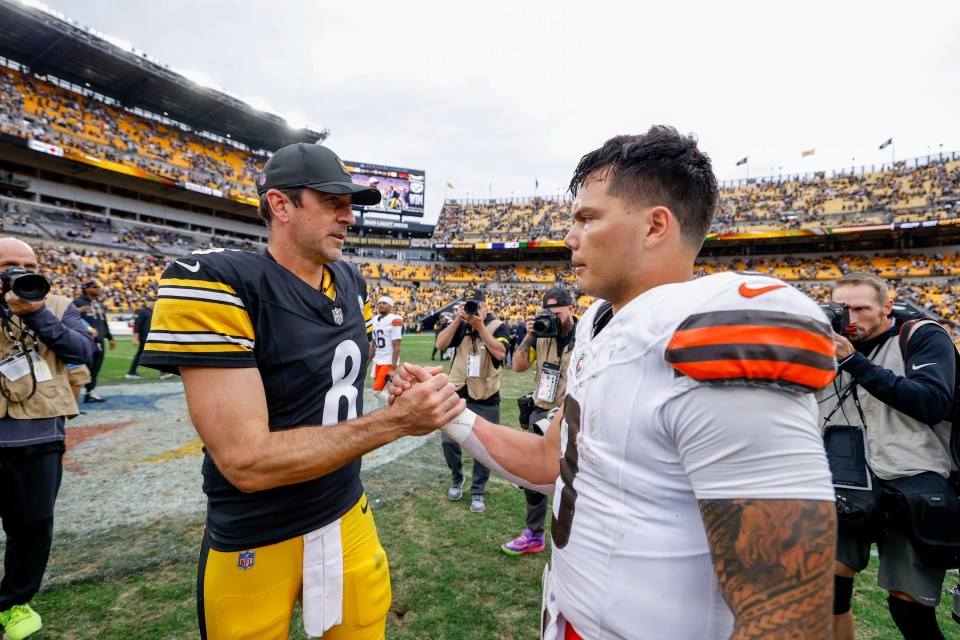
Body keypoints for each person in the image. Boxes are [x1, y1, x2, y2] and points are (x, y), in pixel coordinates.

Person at [392, 127, 838, 638]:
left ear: (654, 226)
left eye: (587, 218)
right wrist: (449, 412)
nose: (569, 237)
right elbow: (552, 463)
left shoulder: (713, 331)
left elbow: (789, 612)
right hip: (572, 615)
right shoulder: (602, 322)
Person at [139, 142, 463, 640]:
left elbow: (334, 382)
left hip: (347, 509)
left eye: (350, 204)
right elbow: (245, 461)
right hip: (258, 531)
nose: (349, 216)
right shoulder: (219, 282)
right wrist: (395, 423)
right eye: (332, 202)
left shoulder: (349, 280)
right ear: (280, 205)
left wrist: (397, 393)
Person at [820, 272, 956, 640]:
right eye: (841, 309)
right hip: (845, 479)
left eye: (861, 309)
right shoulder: (820, 344)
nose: (850, 318)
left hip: (911, 479)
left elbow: (933, 402)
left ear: (887, 308)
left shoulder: (921, 336)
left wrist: (854, 361)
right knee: (828, 593)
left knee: (908, 607)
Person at [0, 237, 94, 640]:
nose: (18, 272)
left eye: (28, 266)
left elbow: (83, 350)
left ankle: (15, 602)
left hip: (40, 433)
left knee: (33, 524)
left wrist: (37, 314)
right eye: (8, 265)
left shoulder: (56, 304)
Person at [501, 287, 577, 556]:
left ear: (571, 309)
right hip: (541, 411)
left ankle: (577, 536)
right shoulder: (541, 333)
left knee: (576, 478)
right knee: (532, 475)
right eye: (548, 313)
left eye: (558, 313)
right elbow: (518, 366)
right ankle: (534, 534)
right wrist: (531, 334)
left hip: (572, 415)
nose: (553, 319)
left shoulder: (585, 335)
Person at [434, 288, 511, 513]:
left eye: (476, 306)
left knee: (484, 448)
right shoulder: (460, 324)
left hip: (486, 395)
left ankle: (478, 490)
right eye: (468, 305)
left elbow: (500, 353)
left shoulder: (498, 326)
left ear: (485, 307)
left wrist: (480, 327)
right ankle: (457, 478)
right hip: (458, 391)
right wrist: (458, 320)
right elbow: (440, 344)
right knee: (448, 441)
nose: (472, 310)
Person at [71, 280, 114, 402]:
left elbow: (104, 322)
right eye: (94, 286)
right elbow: (70, 319)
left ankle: (90, 392)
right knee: (81, 368)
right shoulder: (77, 303)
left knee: (95, 368)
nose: (98, 288)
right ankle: (72, 395)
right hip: (84, 341)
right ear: (86, 288)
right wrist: (78, 311)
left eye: (98, 286)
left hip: (99, 341)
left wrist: (110, 338)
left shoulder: (98, 304)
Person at [126, 295, 172, 380]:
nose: (154, 303)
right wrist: (135, 338)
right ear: (146, 302)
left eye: (155, 301)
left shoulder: (152, 312)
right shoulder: (142, 311)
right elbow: (137, 325)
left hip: (150, 337)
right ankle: (163, 372)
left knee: (142, 354)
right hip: (145, 337)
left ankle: (131, 372)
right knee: (156, 354)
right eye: (152, 301)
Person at [369, 295, 402, 407]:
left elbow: (396, 346)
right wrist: (367, 362)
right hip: (377, 360)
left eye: (384, 303)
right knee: (382, 390)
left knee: (377, 391)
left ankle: (396, 407)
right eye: (380, 303)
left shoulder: (394, 319)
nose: (381, 305)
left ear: (390, 306)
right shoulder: (374, 320)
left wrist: (392, 368)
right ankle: (382, 411)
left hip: (388, 361)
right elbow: (373, 344)